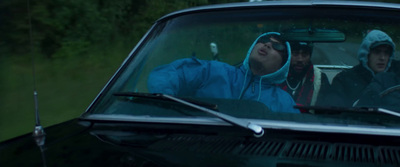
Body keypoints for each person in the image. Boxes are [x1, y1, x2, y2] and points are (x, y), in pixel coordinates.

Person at [147, 32, 300, 113]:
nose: (267, 44)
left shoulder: (284, 102)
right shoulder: (213, 71)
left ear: (283, 64)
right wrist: (166, 103)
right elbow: (169, 73)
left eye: (277, 46)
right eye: (265, 39)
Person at [328, 29, 396, 107]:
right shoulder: (344, 80)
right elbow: (334, 111)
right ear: (366, 55)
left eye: (386, 52)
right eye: (377, 52)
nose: (382, 58)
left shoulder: (396, 77)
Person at [279, 41, 330, 109]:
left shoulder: (320, 78)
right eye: (295, 54)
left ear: (310, 56)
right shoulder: (276, 74)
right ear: (288, 54)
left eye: (304, 55)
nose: (300, 59)